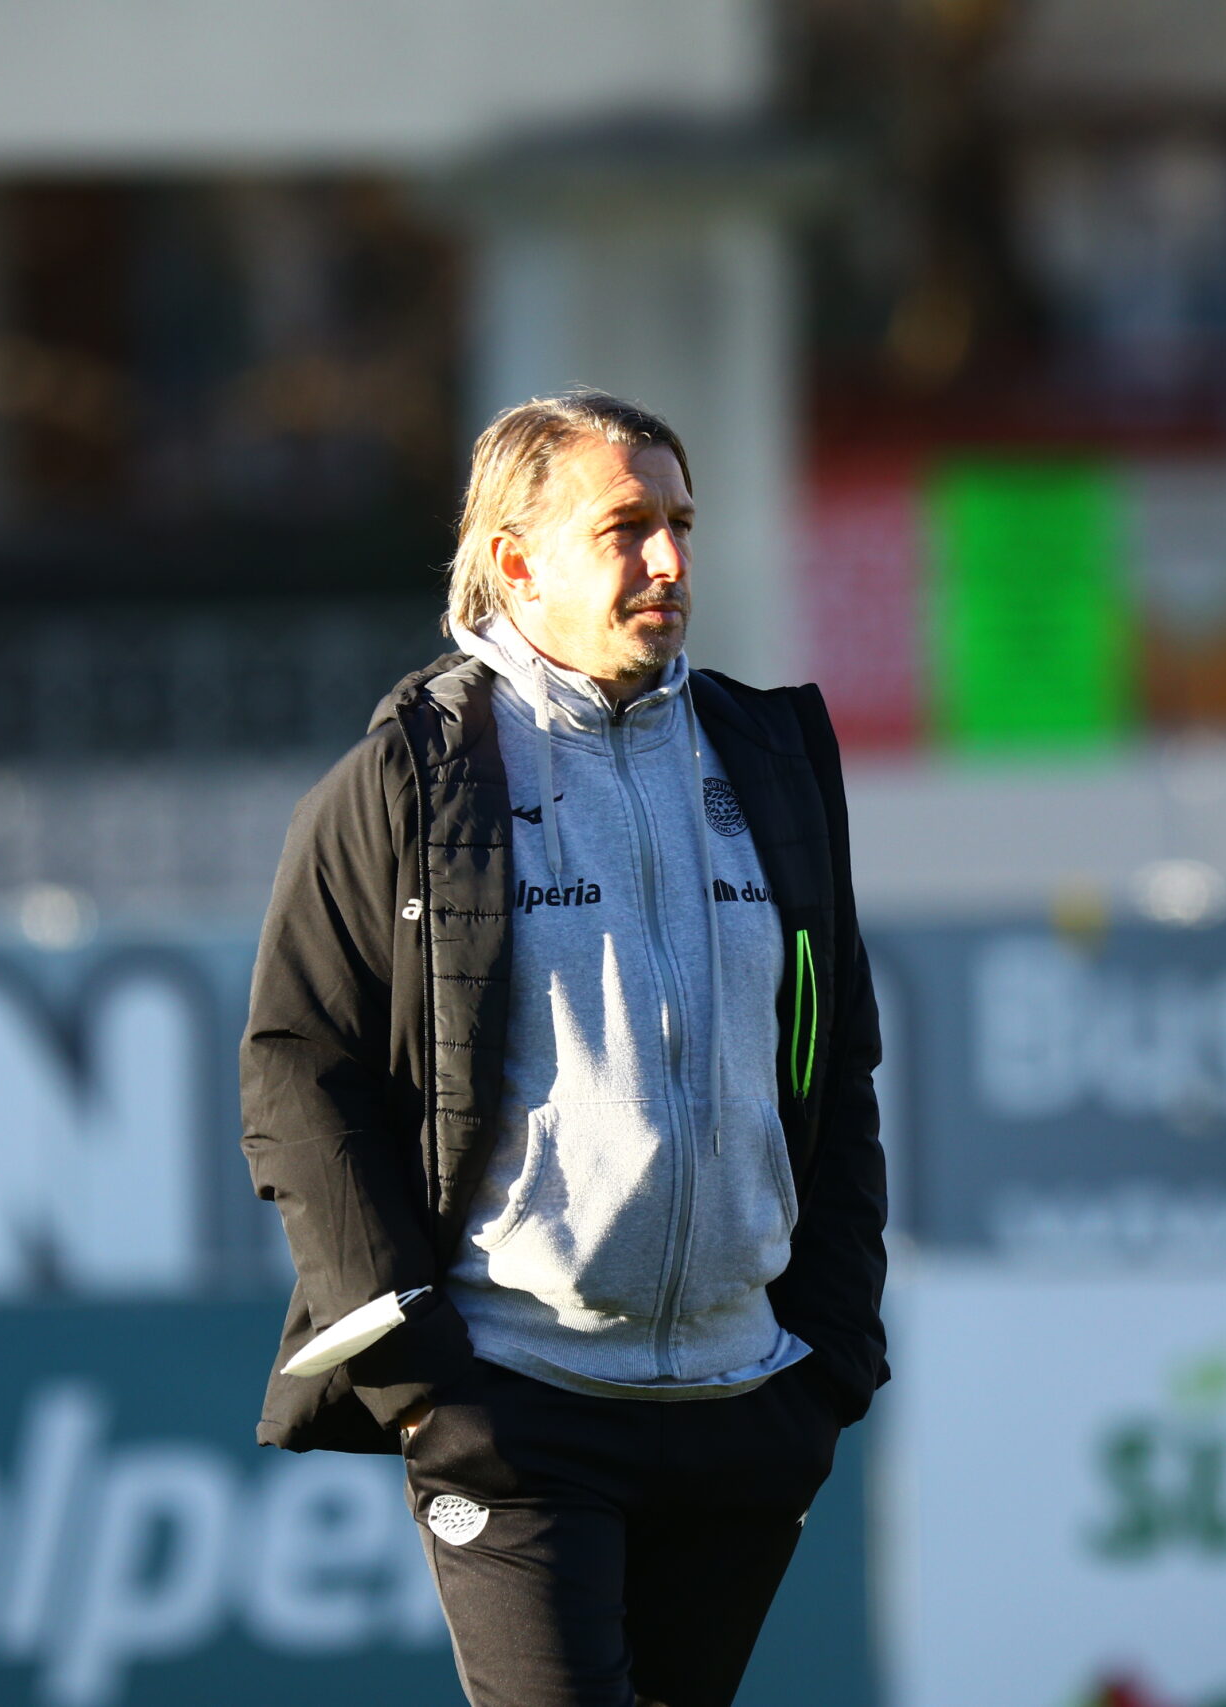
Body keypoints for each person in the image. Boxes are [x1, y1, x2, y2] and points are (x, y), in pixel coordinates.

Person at [241, 389, 888, 1707]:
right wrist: (417, 1377)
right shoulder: (406, 780)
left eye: (682, 525)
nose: (670, 561)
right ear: (517, 560)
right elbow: (299, 1068)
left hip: (746, 1402)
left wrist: (828, 1356)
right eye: (627, 528)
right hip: (518, 1404)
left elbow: (836, 1065)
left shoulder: (771, 758)